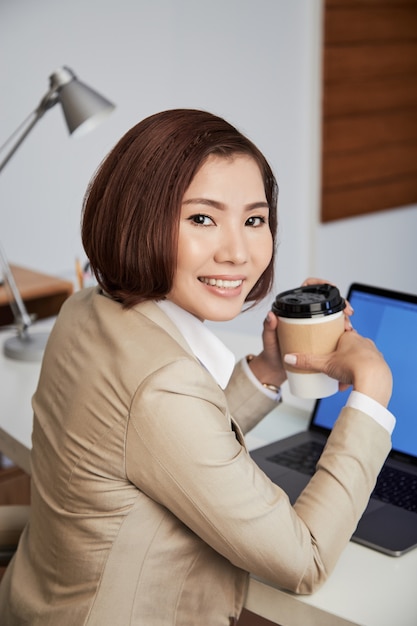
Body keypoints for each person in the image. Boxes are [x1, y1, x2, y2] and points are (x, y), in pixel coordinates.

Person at [0, 109, 395, 625]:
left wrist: (268, 371)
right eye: (202, 218)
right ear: (136, 218)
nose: (237, 252)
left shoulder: (87, 307)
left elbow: (158, 442)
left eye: (254, 220)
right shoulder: (166, 388)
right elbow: (306, 560)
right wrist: (371, 388)